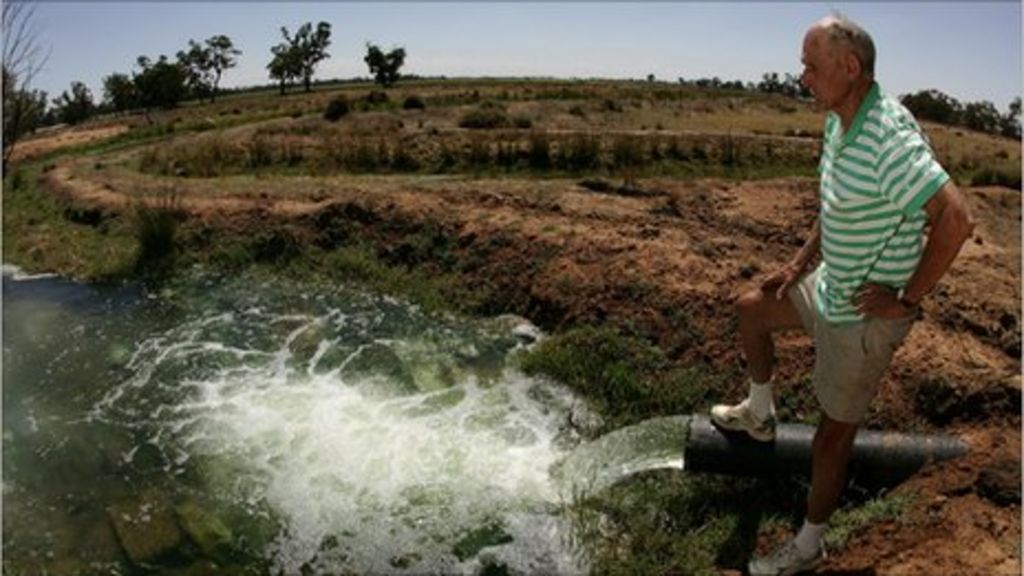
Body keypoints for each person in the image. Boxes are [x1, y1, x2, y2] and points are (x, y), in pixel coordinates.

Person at [709, 13, 975, 576]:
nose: (801, 75)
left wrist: (906, 299)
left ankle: (809, 546)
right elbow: (834, 204)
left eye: (811, 65)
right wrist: (800, 263)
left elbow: (955, 219)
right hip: (827, 286)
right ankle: (761, 413)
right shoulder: (837, 119)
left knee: (832, 439)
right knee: (751, 310)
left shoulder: (888, 138)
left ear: (849, 67)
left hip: (863, 318)